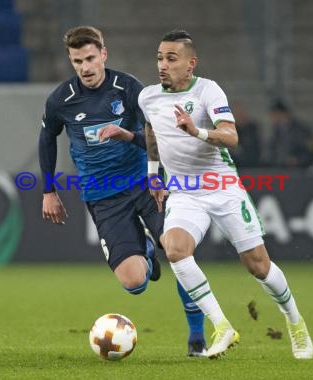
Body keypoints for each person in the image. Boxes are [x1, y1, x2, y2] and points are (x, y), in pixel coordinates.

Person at [139, 29, 313, 359]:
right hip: (183, 192)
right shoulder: (148, 97)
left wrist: (196, 130)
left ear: (191, 63)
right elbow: (151, 131)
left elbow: (231, 137)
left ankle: (294, 321)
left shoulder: (208, 90)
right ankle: (222, 326)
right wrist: (153, 175)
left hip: (222, 188)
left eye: (171, 59)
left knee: (258, 266)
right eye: (160, 58)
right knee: (174, 248)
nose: (163, 65)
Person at [38, 26, 207, 357]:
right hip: (103, 196)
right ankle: (144, 248)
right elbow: (47, 139)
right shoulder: (61, 100)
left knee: (179, 252)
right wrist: (48, 190)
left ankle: (197, 337)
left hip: (145, 183)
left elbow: (158, 137)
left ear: (103, 54)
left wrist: (134, 143)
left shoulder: (128, 88)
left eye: (90, 58)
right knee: (134, 283)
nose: (85, 67)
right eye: (77, 61)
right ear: (70, 61)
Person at [267, 98, 313, 168]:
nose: (271, 117)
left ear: (281, 113)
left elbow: (312, 152)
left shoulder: (301, 130)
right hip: (282, 171)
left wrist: (297, 160)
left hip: (299, 172)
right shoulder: (276, 131)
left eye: (273, 113)